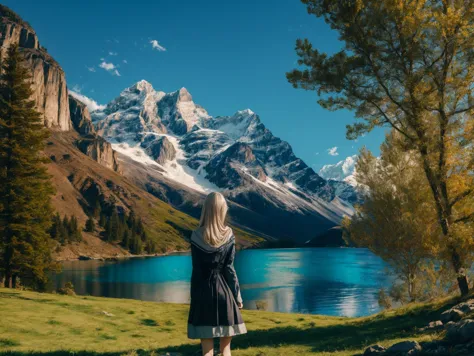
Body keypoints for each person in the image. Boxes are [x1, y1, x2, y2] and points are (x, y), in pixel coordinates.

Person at [188, 192, 247, 356]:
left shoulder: (195, 235)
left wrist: (194, 297)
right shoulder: (229, 235)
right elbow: (229, 269)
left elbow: (196, 271)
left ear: (205, 210)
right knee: (225, 350)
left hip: (203, 296)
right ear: (222, 210)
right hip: (225, 296)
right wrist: (238, 297)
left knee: (206, 351)